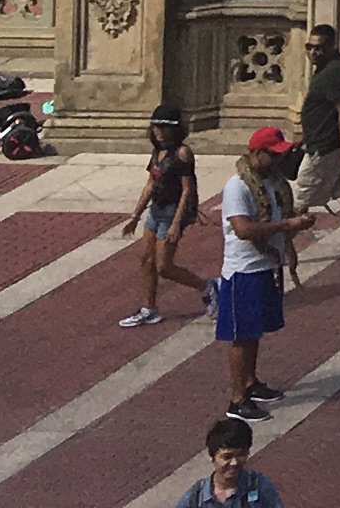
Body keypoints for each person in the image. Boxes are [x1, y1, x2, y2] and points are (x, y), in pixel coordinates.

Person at [214, 123, 306, 421]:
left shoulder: (272, 182)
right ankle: (237, 399)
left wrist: (295, 221)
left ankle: (251, 383)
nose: (278, 159)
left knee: (254, 331)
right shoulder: (237, 187)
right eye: (273, 154)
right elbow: (243, 229)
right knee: (241, 335)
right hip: (244, 270)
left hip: (266, 266)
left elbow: (279, 216)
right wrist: (286, 226)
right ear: (256, 153)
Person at [121, 107, 210, 326]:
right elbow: (150, 184)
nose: (158, 131)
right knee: (146, 260)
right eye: (155, 126)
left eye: (163, 127)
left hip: (171, 213)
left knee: (164, 266)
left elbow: (187, 189)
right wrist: (135, 215)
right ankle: (148, 308)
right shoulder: (157, 151)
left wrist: (176, 223)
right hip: (156, 210)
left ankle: (208, 287)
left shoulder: (182, 153)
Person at [293, 24, 340, 216]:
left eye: (318, 48)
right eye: (309, 47)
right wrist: (305, 133)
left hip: (326, 147)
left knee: (301, 197)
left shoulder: (334, 72)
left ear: (331, 47)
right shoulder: (324, 67)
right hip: (318, 142)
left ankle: (291, 232)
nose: (313, 53)